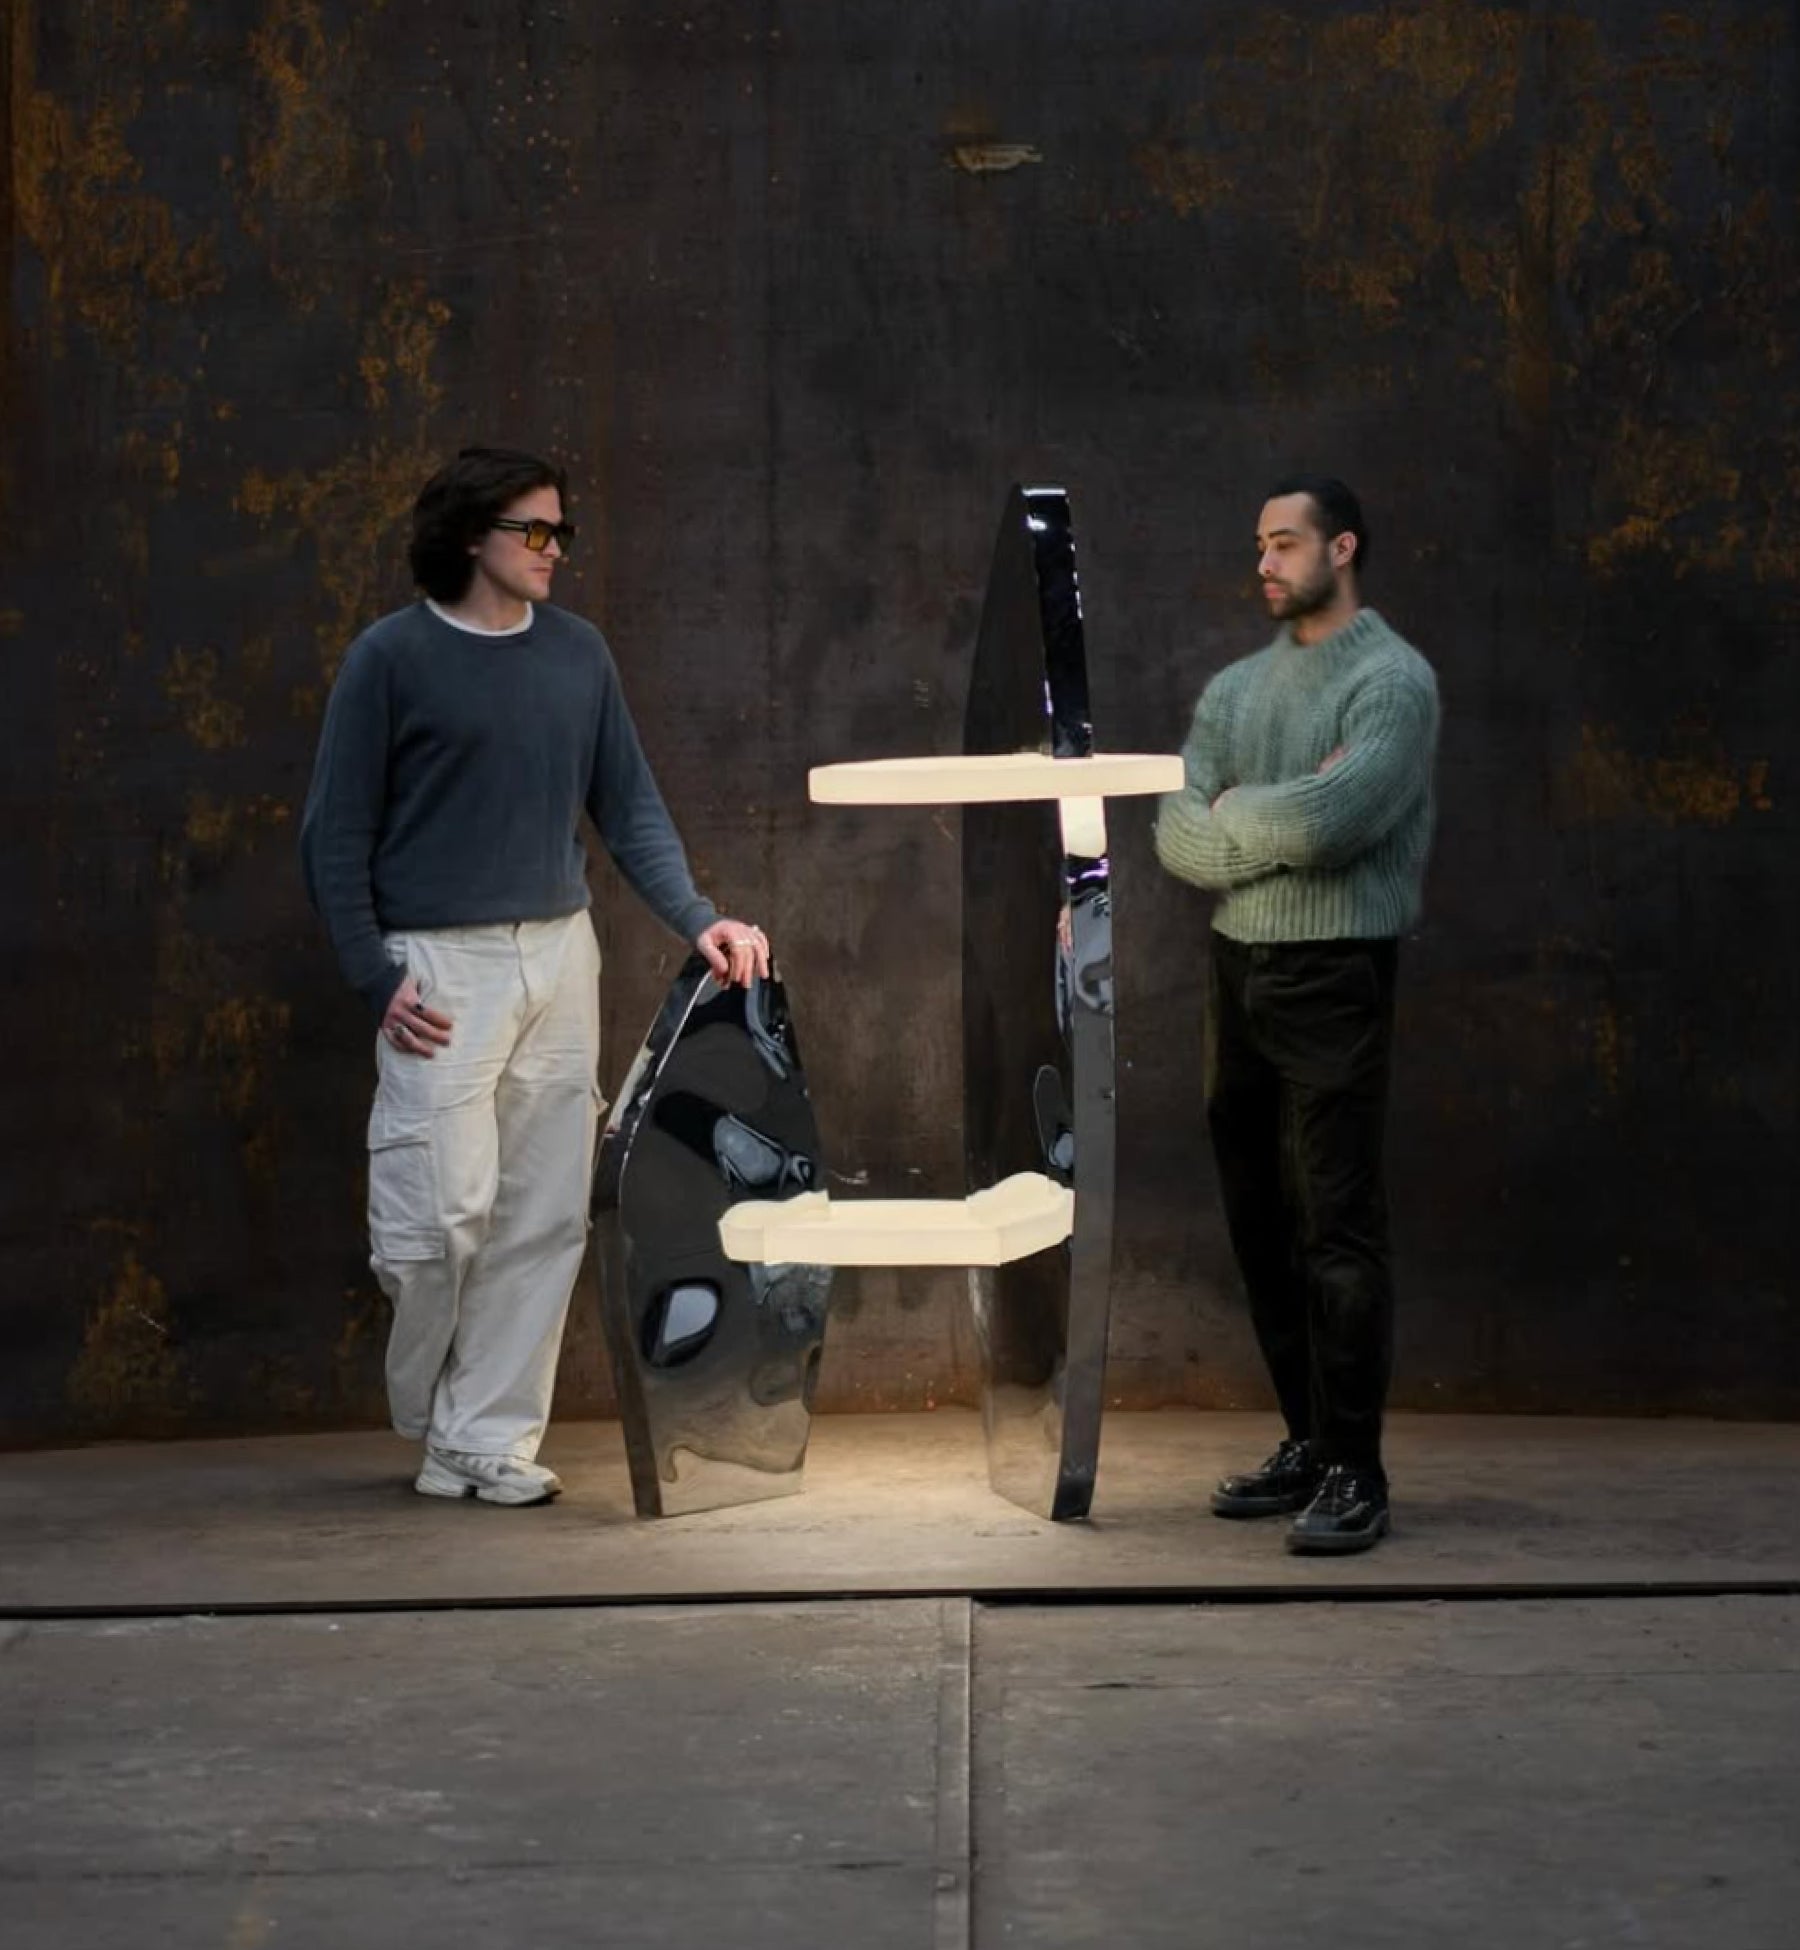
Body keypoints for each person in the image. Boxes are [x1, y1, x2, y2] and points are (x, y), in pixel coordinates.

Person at [300, 446, 769, 1507]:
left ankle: (483, 1441)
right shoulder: (390, 658)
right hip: (436, 968)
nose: (556, 550)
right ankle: (436, 1411)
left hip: (559, 954)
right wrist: (374, 974)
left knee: (546, 1211)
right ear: (474, 536)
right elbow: (334, 835)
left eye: (563, 531)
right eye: (536, 531)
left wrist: (699, 917)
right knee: (440, 1217)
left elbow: (630, 808)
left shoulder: (577, 654)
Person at [1154, 476, 1439, 1554]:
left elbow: (1336, 821)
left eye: (1285, 543)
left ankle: (1358, 1470)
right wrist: (1263, 815)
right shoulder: (1237, 690)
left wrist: (1242, 810)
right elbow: (1177, 832)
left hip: (1335, 972)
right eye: (1260, 544)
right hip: (1237, 970)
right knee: (1260, 1219)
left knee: (1336, 1225)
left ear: (1342, 549)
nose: (1265, 563)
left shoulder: (1393, 682)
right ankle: (1311, 1442)